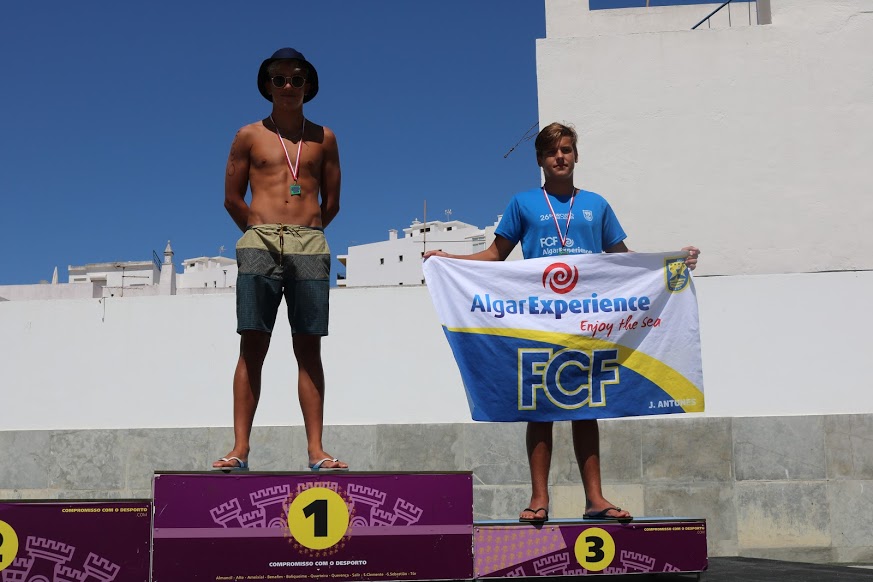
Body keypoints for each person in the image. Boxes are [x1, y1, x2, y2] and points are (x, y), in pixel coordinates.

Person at [424, 122, 700, 522]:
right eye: (552, 151)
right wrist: (448, 260)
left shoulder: (596, 205)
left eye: (566, 150)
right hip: (538, 320)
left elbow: (623, 258)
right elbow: (495, 255)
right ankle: (539, 499)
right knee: (540, 407)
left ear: (576, 156)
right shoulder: (522, 203)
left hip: (588, 320)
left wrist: (670, 264)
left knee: (586, 407)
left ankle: (595, 500)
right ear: (540, 159)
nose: (560, 157)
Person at [213, 48, 347, 472]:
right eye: (279, 79)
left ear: (309, 86)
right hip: (260, 242)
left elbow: (332, 202)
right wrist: (259, 230)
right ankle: (240, 449)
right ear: (267, 86)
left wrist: (306, 229)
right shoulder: (249, 135)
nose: (288, 86)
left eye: (297, 79)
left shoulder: (324, 138)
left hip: (309, 243)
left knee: (309, 347)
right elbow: (231, 198)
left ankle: (316, 450)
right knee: (252, 344)